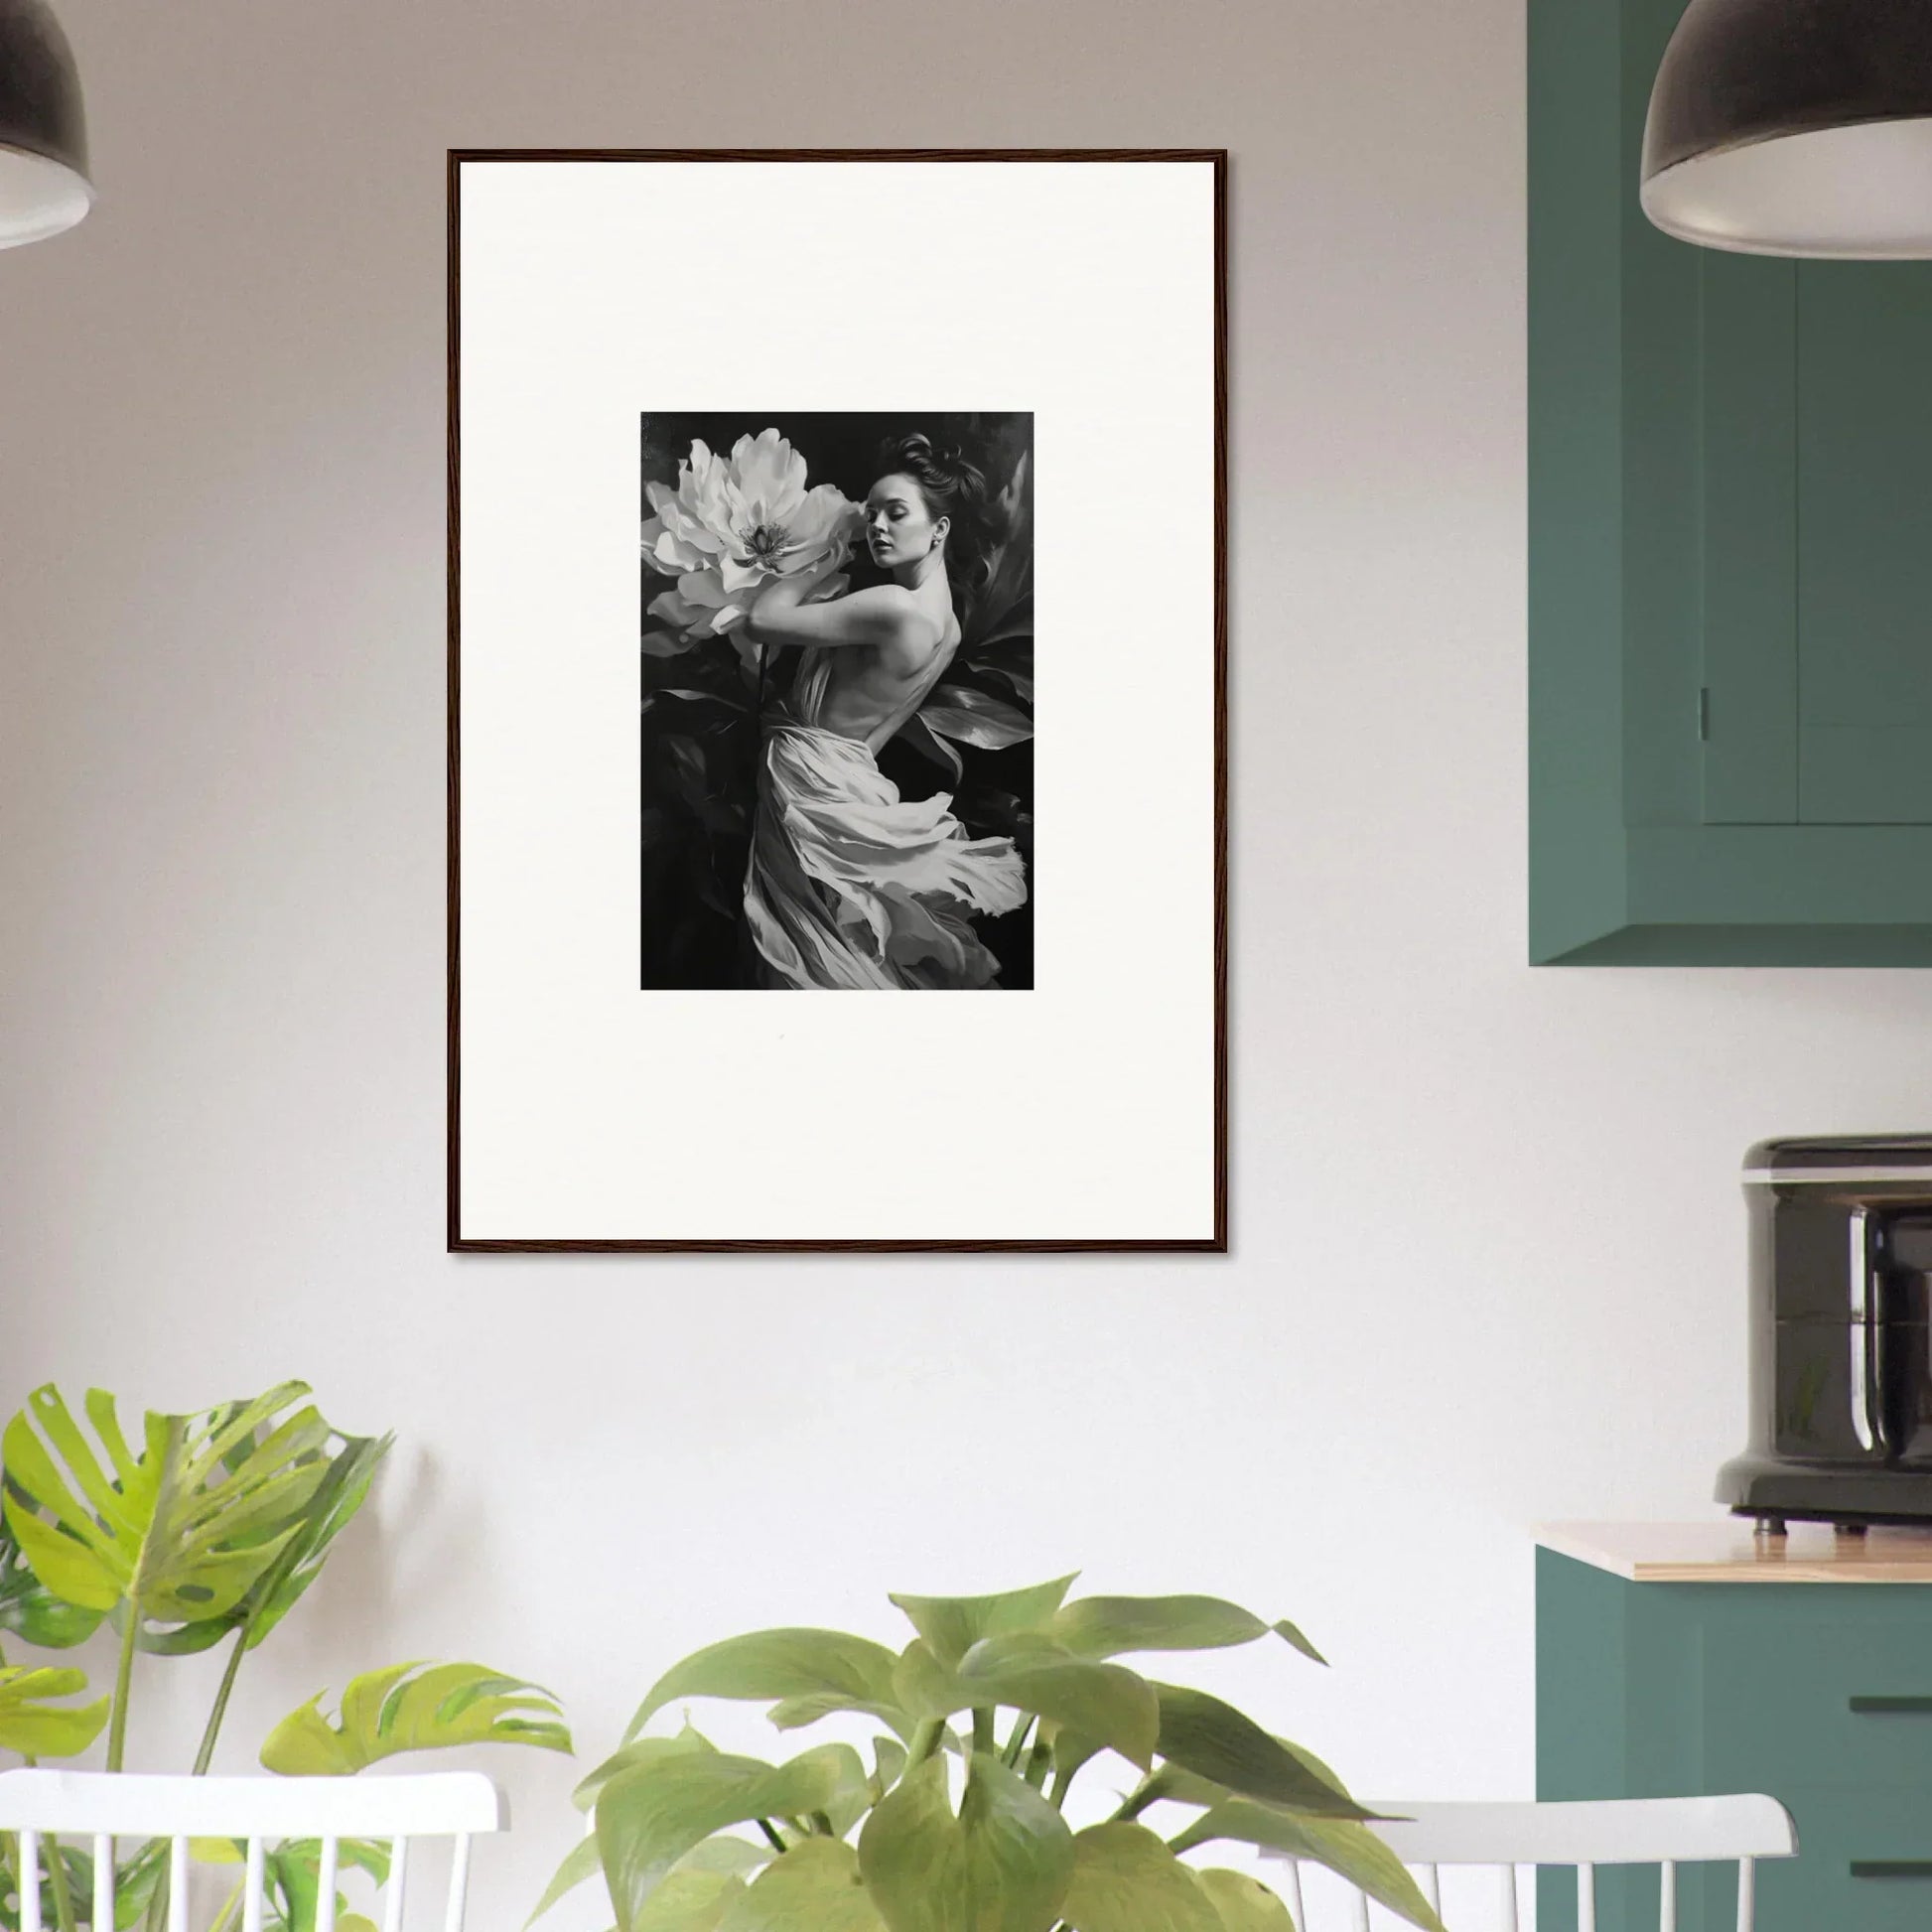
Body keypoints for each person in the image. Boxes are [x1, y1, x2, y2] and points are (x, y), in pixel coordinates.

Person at [739, 433, 1028, 989]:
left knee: (806, 939)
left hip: (806, 783)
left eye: (895, 513)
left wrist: (828, 546)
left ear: (939, 529)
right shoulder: (948, 628)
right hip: (846, 780)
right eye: (870, 514)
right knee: (833, 936)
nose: (876, 526)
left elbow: (761, 621)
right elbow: (876, 736)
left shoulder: (893, 606)